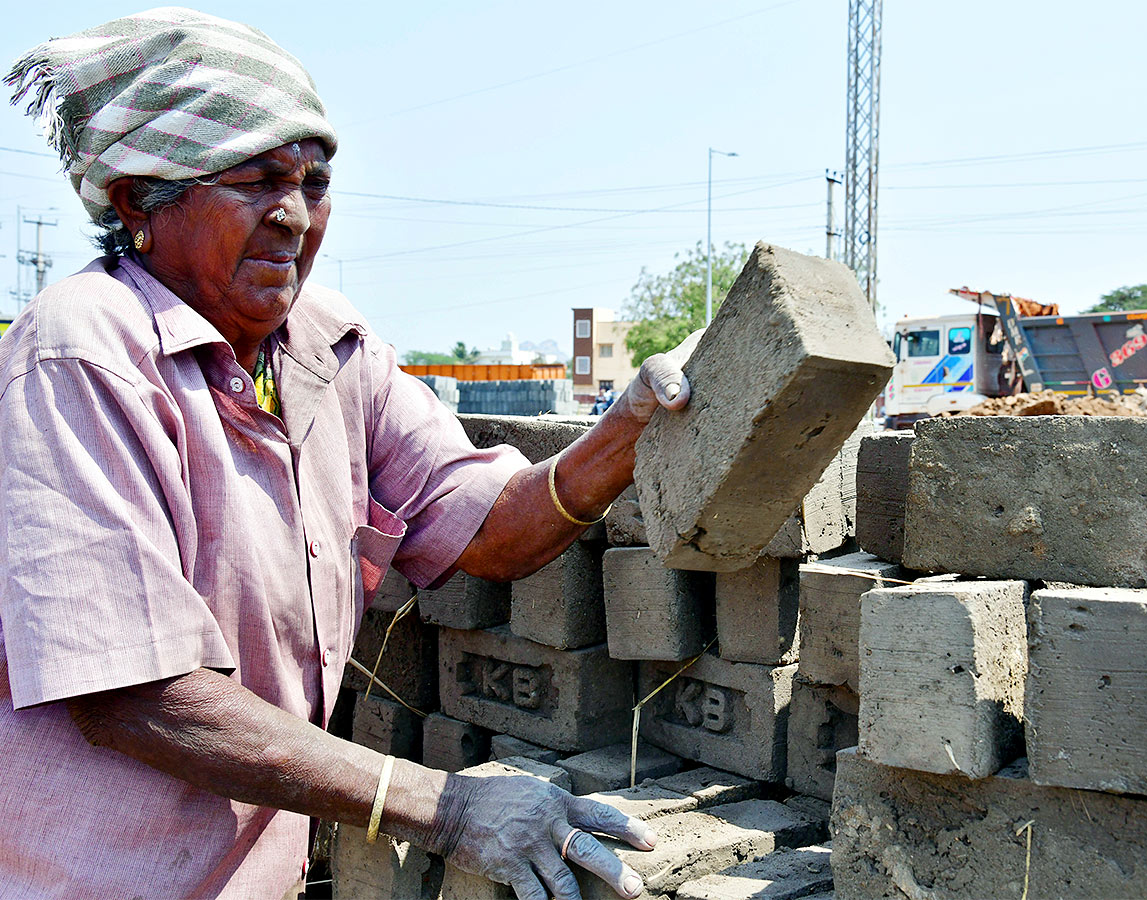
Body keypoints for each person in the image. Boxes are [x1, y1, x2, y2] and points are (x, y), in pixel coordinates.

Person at [0, 10, 689, 900]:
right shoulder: (82, 352)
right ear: (140, 200)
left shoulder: (327, 348)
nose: (293, 215)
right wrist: (441, 806)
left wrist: (632, 426)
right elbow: (130, 693)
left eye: (313, 183)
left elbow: (494, 534)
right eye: (255, 182)